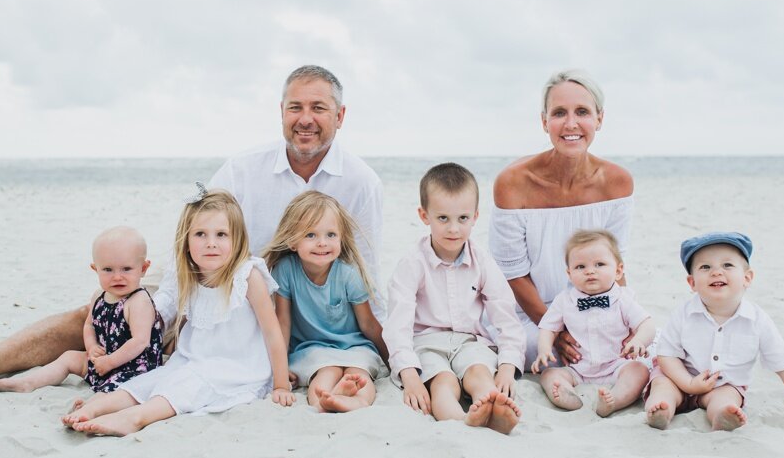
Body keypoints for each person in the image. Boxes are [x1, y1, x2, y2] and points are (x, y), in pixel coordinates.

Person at [0, 65, 382, 386]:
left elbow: (365, 273)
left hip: (293, 300)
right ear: (280, 112)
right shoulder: (243, 169)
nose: (305, 119)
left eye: (319, 108)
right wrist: (155, 302)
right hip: (212, 276)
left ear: (340, 117)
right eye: (294, 107)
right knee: (111, 308)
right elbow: (193, 238)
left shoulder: (361, 181)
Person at [61, 190, 291, 436]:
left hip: (234, 366)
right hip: (192, 357)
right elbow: (169, 308)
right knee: (154, 380)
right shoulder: (191, 274)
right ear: (187, 240)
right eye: (200, 234)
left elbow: (272, 331)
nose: (211, 243)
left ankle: (135, 418)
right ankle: (95, 407)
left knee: (183, 389)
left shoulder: (247, 276)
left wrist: (280, 384)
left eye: (221, 234)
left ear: (237, 239)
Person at [491, 69, 635, 368]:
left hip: (596, 306)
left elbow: (615, 267)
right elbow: (513, 273)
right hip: (530, 313)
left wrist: (620, 318)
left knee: (635, 351)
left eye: (582, 111)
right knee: (541, 352)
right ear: (544, 122)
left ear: (599, 119)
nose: (571, 124)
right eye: (559, 113)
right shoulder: (512, 182)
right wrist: (553, 328)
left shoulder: (617, 182)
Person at [383, 163, 526, 434]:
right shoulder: (412, 263)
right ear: (424, 216)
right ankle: (461, 420)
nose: (454, 229)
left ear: (475, 217)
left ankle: (494, 408)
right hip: (426, 343)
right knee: (443, 382)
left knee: (479, 373)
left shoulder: (482, 261)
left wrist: (507, 366)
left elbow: (506, 316)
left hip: (468, 341)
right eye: (443, 218)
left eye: (463, 218)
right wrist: (410, 375)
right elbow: (397, 324)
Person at [644, 233, 784, 432]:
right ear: (692, 283)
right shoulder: (683, 314)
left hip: (723, 385)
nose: (716, 272)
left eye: (727, 265)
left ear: (747, 277)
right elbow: (666, 355)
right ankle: (661, 411)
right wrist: (689, 384)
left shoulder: (758, 321)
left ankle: (722, 416)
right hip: (679, 378)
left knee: (726, 399)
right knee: (662, 387)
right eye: (705, 267)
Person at [0, 226, 162, 396]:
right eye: (107, 269)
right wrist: (91, 347)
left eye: (126, 269)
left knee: (122, 394)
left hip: (135, 368)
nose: (117, 276)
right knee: (69, 358)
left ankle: (96, 407)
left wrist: (110, 362)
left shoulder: (138, 301)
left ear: (143, 269)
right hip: (103, 362)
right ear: (95, 269)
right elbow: (89, 325)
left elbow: (140, 342)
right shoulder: (99, 295)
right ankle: (28, 383)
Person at [264, 192, 387, 413]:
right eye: (310, 235)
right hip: (311, 348)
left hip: (355, 346)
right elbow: (282, 324)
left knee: (359, 373)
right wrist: (279, 375)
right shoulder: (285, 271)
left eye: (331, 234)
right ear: (293, 241)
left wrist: (394, 361)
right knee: (325, 371)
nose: (322, 243)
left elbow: (369, 324)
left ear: (341, 238)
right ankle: (322, 400)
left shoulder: (348, 274)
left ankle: (357, 400)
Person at [530, 230, 655, 416]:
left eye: (600, 264)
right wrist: (544, 349)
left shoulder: (623, 299)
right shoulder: (564, 300)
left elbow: (647, 324)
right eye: (580, 267)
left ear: (618, 270)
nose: (590, 271)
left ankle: (615, 399)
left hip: (617, 364)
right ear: (569, 273)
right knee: (549, 374)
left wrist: (638, 340)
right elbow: (548, 327)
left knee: (639, 371)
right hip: (579, 368)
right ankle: (566, 393)